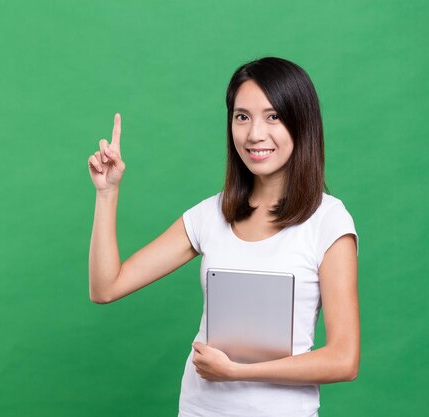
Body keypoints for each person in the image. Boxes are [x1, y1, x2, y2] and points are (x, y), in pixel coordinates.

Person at [87, 57, 360, 417]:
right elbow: (106, 287)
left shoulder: (327, 220)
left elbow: (344, 359)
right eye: (242, 116)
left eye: (273, 116)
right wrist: (107, 193)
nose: (254, 134)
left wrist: (238, 372)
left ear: (301, 122)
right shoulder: (210, 215)